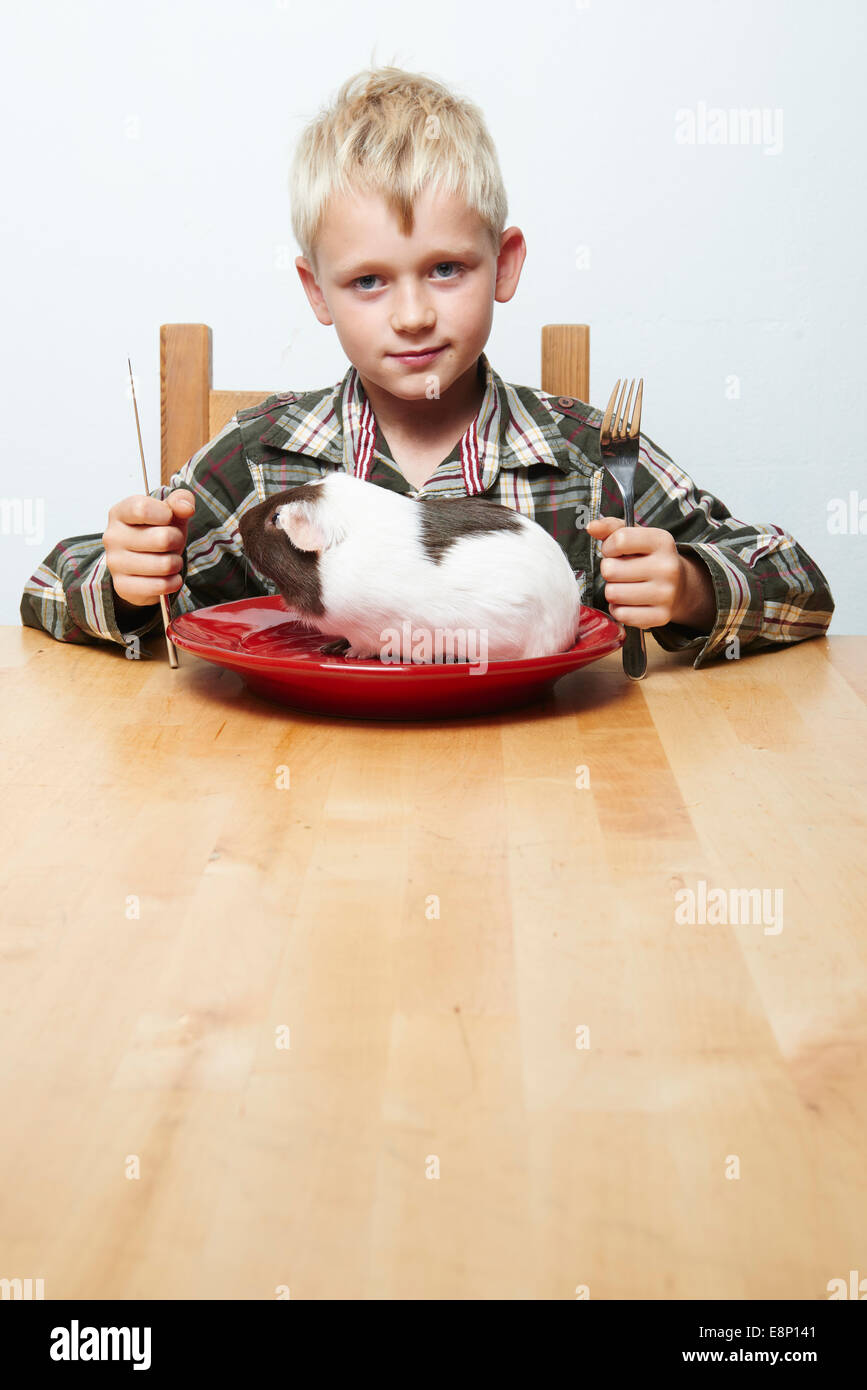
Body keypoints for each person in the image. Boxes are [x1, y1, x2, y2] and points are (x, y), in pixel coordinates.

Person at [20, 66, 834, 669]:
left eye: (445, 269)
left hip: (543, 798)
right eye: (368, 281)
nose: (411, 314)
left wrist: (691, 587)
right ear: (317, 292)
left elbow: (800, 585)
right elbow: (50, 587)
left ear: (503, 265)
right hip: (300, 799)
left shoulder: (587, 458)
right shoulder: (261, 460)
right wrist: (127, 582)